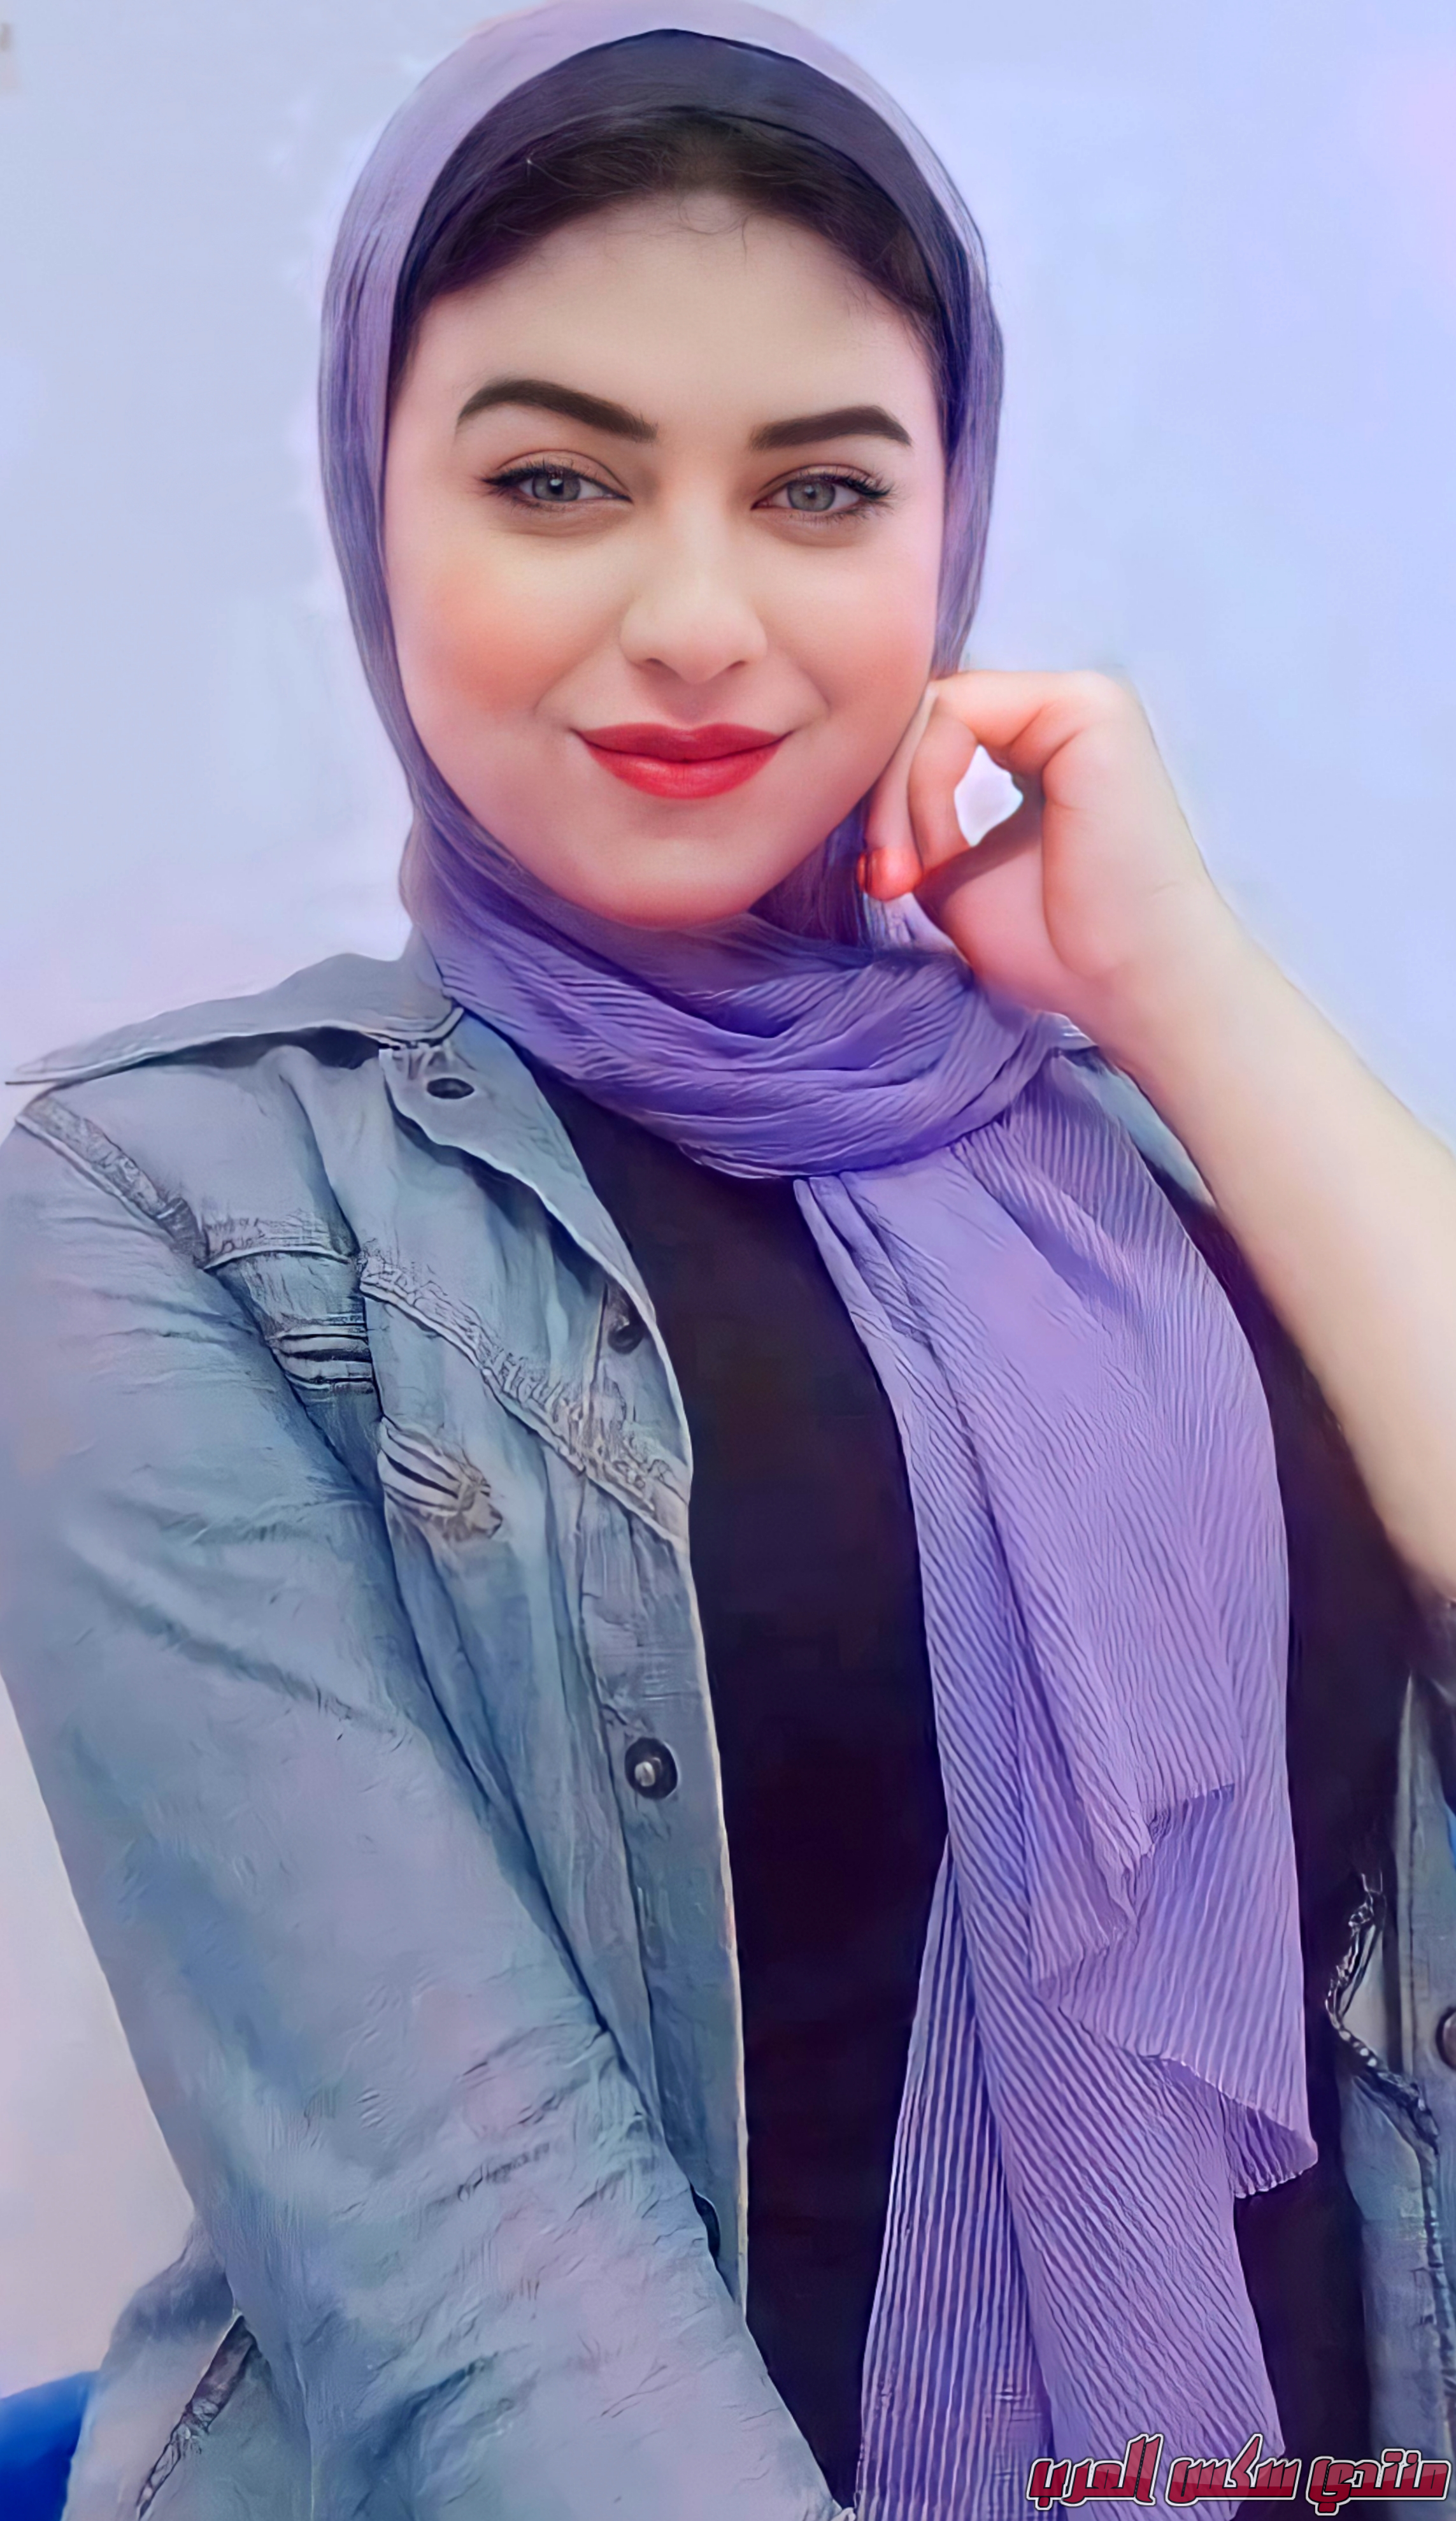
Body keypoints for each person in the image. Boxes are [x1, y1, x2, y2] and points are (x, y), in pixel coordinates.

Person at [2, 4, 1455, 2515]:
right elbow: (471, 2250)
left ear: (947, 530)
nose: (695, 617)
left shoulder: (1117, 1147)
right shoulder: (170, 1213)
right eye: (556, 480)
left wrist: (1176, 979)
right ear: (371, 509)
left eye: (818, 491)